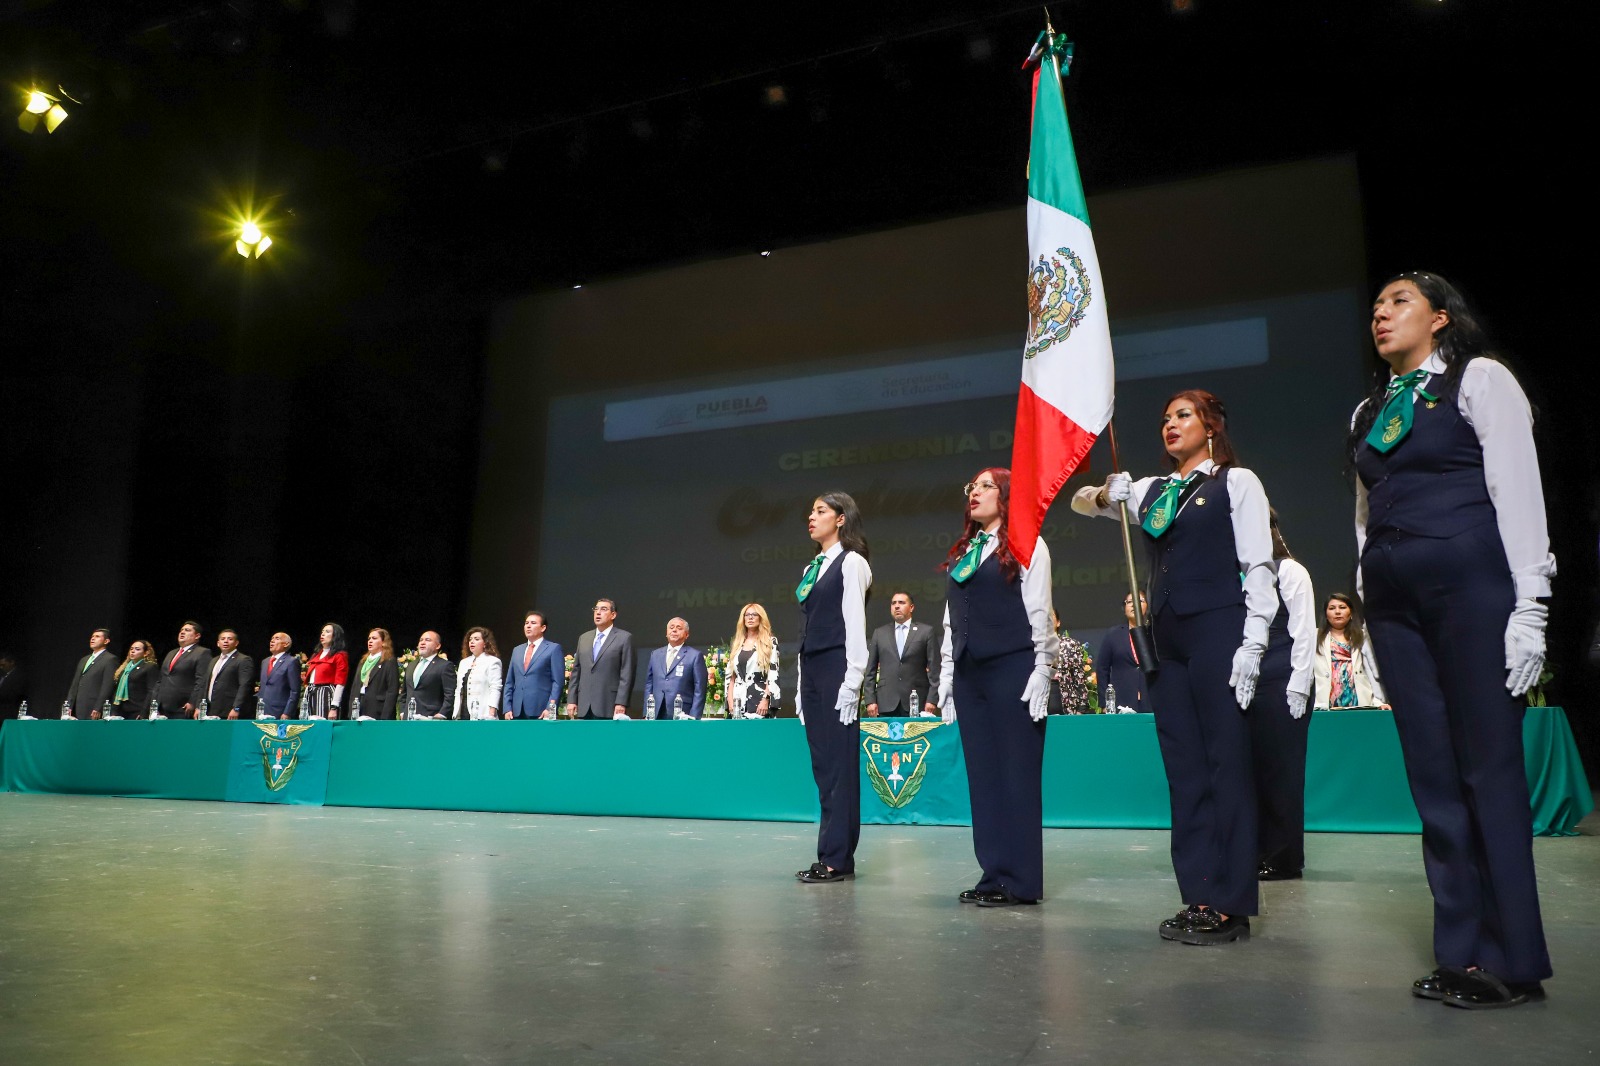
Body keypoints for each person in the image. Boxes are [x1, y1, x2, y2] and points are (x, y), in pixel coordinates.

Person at [1353, 271, 1553, 1008]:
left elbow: (1517, 487)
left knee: (1486, 772)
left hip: (1472, 589)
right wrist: (1371, 611)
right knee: (1433, 780)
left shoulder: (1480, 380)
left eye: (1398, 301)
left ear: (1441, 317)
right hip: (1396, 605)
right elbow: (1365, 516)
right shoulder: (1370, 409)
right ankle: (1460, 953)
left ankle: (1512, 959)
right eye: (1375, 305)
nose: (1381, 312)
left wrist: (1531, 603)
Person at [1073, 389, 1275, 945]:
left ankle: (1231, 905)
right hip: (1166, 641)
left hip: (1217, 631)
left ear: (1211, 425)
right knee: (1184, 770)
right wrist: (1104, 492)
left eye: (1182, 415)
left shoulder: (1236, 482)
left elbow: (1257, 565)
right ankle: (1199, 896)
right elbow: (1081, 505)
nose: (1170, 425)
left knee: (1224, 765)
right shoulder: (1154, 492)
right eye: (1164, 418)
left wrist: (1253, 644)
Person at [937, 469, 1058, 906]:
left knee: (1016, 774)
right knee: (983, 777)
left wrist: (1043, 667)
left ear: (1007, 495)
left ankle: (1022, 880)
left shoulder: (1027, 543)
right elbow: (952, 617)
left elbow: (1039, 609)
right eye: (971, 486)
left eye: (986, 485)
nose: (975, 492)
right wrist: (948, 676)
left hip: (1013, 666)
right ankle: (994, 874)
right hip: (971, 674)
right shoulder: (965, 551)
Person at [794, 491, 873, 884]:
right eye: (811, 511)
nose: (812, 517)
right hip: (813, 670)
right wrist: (799, 684)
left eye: (820, 511)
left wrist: (853, 680)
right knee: (823, 767)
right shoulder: (815, 566)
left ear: (841, 519)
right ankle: (830, 853)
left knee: (840, 766)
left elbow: (855, 624)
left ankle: (837, 858)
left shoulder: (851, 562)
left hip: (838, 669)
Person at [1249, 512, 1316, 881]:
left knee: (1283, 773)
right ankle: (1259, 850)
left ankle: (1285, 858)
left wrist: (1299, 684)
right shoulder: (1242, 577)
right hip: (1252, 681)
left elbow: (1304, 631)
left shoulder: (1290, 571)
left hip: (1284, 678)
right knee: (1255, 771)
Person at [864, 590, 941, 717]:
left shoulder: (926, 632)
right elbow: (870, 670)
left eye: (901, 602)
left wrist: (932, 699)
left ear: (911, 607)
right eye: (893, 603)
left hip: (917, 701)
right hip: (885, 702)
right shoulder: (879, 633)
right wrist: (870, 700)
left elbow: (935, 670)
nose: (897, 606)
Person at [1313, 594, 1387, 709]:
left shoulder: (1363, 637)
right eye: (1332, 608)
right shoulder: (1314, 637)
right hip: (1323, 703)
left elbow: (1373, 672)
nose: (1337, 612)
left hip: (1360, 701)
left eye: (1342, 607)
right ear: (1326, 615)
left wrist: (1379, 702)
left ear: (1351, 613)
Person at [566, 599, 634, 720]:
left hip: (609, 704)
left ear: (613, 615)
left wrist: (621, 702)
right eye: (596, 609)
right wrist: (572, 700)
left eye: (603, 609)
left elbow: (627, 673)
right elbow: (576, 671)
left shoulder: (624, 638)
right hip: (584, 705)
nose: (598, 612)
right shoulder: (584, 638)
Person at [1094, 594, 1151, 714]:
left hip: (1152, 700)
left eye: (1139, 600)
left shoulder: (1155, 633)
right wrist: (1104, 703)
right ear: (1124, 609)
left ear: (1147, 606)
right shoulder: (1113, 635)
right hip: (1121, 702)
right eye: (1130, 602)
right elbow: (1102, 669)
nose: (1134, 604)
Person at [504, 611, 563, 720]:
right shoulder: (517, 650)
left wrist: (550, 708)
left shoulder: (553, 648)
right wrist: (507, 708)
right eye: (526, 623)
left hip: (540, 710)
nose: (528, 626)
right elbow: (509, 681)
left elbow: (557, 682)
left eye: (533, 623)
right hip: (516, 710)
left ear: (543, 628)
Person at [643, 617, 706, 719]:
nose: (674, 630)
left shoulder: (694, 655)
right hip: (656, 711)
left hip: (682, 712)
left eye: (679, 628)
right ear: (666, 633)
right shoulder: (655, 654)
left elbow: (700, 689)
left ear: (687, 634)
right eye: (671, 627)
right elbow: (649, 684)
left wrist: (694, 716)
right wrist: (646, 712)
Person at [728, 604, 781, 718]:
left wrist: (766, 699)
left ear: (761, 618)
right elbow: (731, 677)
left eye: (754, 614)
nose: (750, 617)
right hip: (738, 701)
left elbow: (773, 673)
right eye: (747, 615)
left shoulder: (770, 642)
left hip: (759, 700)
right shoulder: (737, 643)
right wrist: (730, 701)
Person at [156, 621, 212, 718]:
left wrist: (193, 702)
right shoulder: (171, 653)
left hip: (183, 707)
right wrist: (155, 702)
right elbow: (161, 680)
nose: (182, 632)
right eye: (181, 630)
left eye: (187, 630)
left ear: (197, 636)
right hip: (163, 708)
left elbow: (202, 681)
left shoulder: (202, 652)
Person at [401, 631, 457, 719]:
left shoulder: (444, 666)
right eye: (421, 640)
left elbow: (450, 694)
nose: (422, 643)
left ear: (437, 646)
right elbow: (404, 692)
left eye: (428, 640)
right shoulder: (411, 665)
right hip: (408, 718)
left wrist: (442, 714)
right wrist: (402, 711)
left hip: (431, 718)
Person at [203, 628, 256, 719]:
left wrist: (236, 708)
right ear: (218, 643)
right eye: (223, 639)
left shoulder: (243, 659)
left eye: (230, 639)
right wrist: (200, 706)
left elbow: (245, 685)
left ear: (236, 643)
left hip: (230, 711)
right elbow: (206, 684)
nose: (226, 641)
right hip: (211, 710)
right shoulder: (213, 661)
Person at [65, 628, 117, 718]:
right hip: (78, 706)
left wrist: (98, 707)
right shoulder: (84, 659)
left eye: (97, 636)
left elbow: (107, 686)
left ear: (106, 641)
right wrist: (69, 705)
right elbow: (75, 684)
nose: (93, 639)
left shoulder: (110, 659)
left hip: (93, 707)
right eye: (92, 636)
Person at [454, 627, 504, 720]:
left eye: (476, 639)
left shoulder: (492, 661)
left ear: (485, 643)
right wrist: (455, 712)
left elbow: (495, 688)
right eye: (470, 640)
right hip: (463, 712)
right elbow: (458, 689)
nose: (472, 642)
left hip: (482, 712)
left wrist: (491, 713)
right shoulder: (464, 662)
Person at [352, 629, 399, 720]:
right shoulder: (363, 661)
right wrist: (351, 711)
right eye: (369, 638)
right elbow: (355, 686)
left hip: (377, 709)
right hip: (360, 706)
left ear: (383, 642)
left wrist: (385, 717)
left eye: (374, 638)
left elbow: (392, 691)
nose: (370, 641)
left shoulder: (389, 661)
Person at [304, 623, 349, 719]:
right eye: (322, 632)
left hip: (325, 694)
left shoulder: (339, 655)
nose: (323, 634)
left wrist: (334, 706)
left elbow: (340, 683)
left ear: (335, 636)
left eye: (327, 632)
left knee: (322, 726)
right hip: (311, 693)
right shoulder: (316, 655)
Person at [257, 633, 303, 719]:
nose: (272, 641)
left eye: (277, 638)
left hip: (280, 712)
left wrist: (287, 712)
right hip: (262, 711)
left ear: (286, 644)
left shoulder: (291, 661)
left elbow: (295, 690)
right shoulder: (265, 661)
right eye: (272, 638)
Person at [107, 640, 158, 717]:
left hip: (138, 710)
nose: (133, 651)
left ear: (146, 653)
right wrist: (114, 711)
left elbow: (151, 691)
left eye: (137, 649)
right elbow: (117, 690)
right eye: (131, 649)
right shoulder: (124, 668)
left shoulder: (149, 666)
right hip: (121, 710)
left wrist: (143, 712)